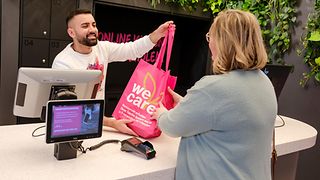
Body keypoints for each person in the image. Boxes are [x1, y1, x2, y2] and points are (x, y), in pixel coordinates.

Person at [152, 9, 277, 180]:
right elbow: (227, 117)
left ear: (224, 43)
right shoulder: (264, 82)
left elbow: (172, 126)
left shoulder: (212, 88)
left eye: (211, 38)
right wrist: (188, 104)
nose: (209, 45)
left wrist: (160, 113)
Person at [52, 9, 174, 136]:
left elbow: (132, 50)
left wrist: (157, 35)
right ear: (71, 32)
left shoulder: (101, 48)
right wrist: (112, 123)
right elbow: (67, 109)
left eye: (93, 25)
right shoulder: (63, 63)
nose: (92, 29)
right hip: (72, 128)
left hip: (98, 124)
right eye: (85, 26)